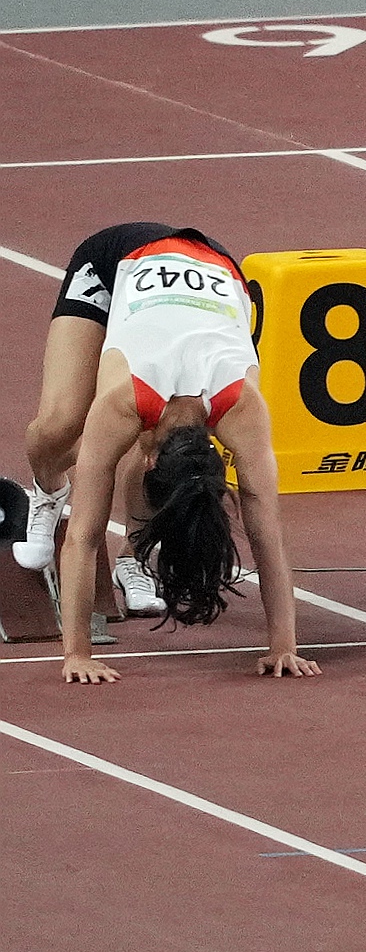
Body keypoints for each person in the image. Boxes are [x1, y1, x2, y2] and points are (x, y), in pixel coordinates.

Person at [26, 225, 313, 682]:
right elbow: (82, 537)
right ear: (151, 462)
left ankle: (131, 561)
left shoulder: (243, 407)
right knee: (59, 424)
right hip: (115, 260)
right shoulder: (124, 402)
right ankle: (45, 490)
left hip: (210, 272)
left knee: (170, 478)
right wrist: (75, 654)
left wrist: (284, 646)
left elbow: (268, 535)